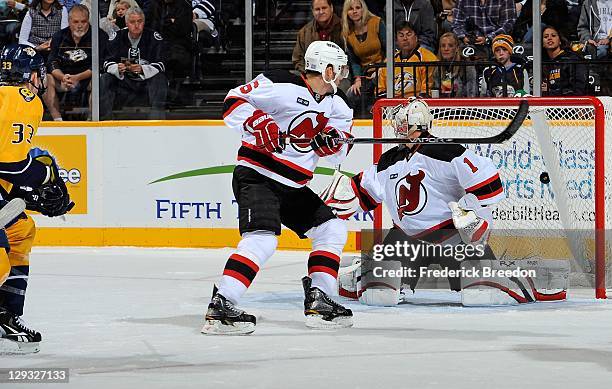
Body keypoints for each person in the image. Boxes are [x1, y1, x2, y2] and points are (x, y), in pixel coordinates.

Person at [203, 41, 354, 335]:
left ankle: (320, 299)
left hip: (293, 186)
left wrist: (330, 142)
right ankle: (222, 304)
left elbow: (337, 151)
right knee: (262, 239)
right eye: (339, 68)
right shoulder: (279, 84)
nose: (343, 74)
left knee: (331, 229)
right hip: (258, 175)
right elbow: (232, 102)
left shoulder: (339, 105)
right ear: (327, 69)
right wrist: (259, 120)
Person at [320, 99, 506, 303]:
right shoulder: (388, 160)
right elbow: (359, 193)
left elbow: (490, 187)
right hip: (404, 242)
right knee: (377, 295)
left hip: (452, 240)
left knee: (480, 295)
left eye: (400, 123)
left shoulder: (447, 152)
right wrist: (329, 209)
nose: (396, 127)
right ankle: (363, 271)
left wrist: (469, 211)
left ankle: (506, 276)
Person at [0, 44, 74, 354]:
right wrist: (46, 179)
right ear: (32, 75)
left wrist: (27, 192)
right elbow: (12, 165)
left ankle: (5, 317)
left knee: (19, 230)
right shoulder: (23, 99)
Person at [100, 7, 167, 120]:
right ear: (126, 23)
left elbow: (162, 64)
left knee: (160, 79)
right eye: (132, 22)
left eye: (139, 21)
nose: (136, 25)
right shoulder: (117, 37)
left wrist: (143, 69)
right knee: (105, 78)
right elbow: (106, 62)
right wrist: (117, 68)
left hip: (146, 82)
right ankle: (106, 120)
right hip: (123, 82)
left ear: (144, 22)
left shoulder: (154, 37)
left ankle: (157, 120)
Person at [19, 0, 68, 120]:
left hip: (55, 53)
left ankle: (58, 120)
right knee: (36, 78)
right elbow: (22, 40)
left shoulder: (62, 10)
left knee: (47, 78)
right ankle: (27, 116)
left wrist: (54, 43)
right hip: (35, 53)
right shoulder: (31, 11)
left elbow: (65, 34)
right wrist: (37, 47)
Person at [46, 4, 96, 119]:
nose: (79, 26)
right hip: (64, 79)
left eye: (83, 22)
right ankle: (58, 120)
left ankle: (92, 120)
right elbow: (51, 62)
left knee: (99, 80)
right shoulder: (59, 36)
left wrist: (78, 77)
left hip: (87, 78)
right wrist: (62, 77)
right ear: (69, 21)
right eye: (76, 22)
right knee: (46, 78)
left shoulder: (98, 36)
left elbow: (99, 64)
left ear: (88, 20)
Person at [341, 0, 385, 115]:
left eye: (357, 7)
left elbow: (390, 49)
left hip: (383, 69)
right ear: (346, 12)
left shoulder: (377, 22)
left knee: (368, 94)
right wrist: (357, 79)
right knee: (351, 94)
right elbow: (354, 61)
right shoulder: (348, 34)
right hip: (365, 74)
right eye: (350, 9)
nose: (354, 11)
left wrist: (382, 68)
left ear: (363, 9)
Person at [376, 21, 438, 98]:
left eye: (409, 34)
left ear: (416, 37)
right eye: (401, 35)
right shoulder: (389, 61)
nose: (405, 38)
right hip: (393, 105)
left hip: (417, 105)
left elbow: (427, 91)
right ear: (396, 40)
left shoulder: (428, 58)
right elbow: (380, 89)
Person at [292, 0, 344, 73]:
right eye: (317, 9)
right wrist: (309, 74)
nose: (321, 12)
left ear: (331, 8)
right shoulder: (304, 32)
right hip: (313, 75)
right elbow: (297, 59)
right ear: (312, 11)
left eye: (324, 8)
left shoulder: (345, 28)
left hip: (339, 75)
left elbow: (351, 58)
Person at [452, 0, 517, 59]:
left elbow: (508, 24)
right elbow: (457, 23)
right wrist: (463, 37)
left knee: (500, 48)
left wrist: (488, 38)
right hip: (471, 41)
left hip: (497, 40)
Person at [541, 25, 587, 95]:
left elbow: (578, 88)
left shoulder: (572, 59)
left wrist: (550, 91)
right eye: (546, 37)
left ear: (560, 41)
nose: (549, 38)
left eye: (553, 35)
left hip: (570, 103)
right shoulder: (542, 63)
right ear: (542, 44)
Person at [433, 31, 478, 97]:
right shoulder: (438, 68)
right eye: (443, 46)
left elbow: (472, 92)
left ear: (457, 48)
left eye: (450, 46)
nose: (446, 49)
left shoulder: (467, 66)